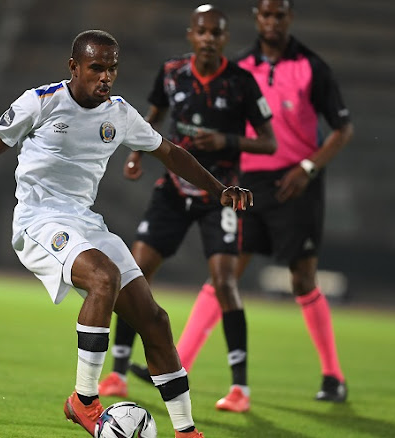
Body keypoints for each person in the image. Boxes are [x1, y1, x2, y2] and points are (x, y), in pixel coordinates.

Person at [0, 29, 252, 438]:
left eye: (111, 68)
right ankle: (83, 402)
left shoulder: (118, 113)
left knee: (154, 321)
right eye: (96, 68)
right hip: (39, 221)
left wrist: (220, 189)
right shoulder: (42, 101)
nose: (105, 77)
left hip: (85, 222)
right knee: (104, 278)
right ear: (74, 67)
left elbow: (170, 153)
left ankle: (187, 431)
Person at [136, 0, 354, 403]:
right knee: (226, 275)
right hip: (245, 184)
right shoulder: (237, 68)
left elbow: (343, 128)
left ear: (289, 18)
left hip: (296, 182)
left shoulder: (312, 67)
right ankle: (179, 362)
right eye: (265, 15)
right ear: (256, 18)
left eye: (280, 15)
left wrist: (308, 167)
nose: (272, 22)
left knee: (302, 277)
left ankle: (332, 376)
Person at [97, 4, 276, 414]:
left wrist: (227, 141)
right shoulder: (172, 72)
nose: (209, 38)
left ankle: (240, 390)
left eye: (217, 32)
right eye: (203, 31)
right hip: (174, 190)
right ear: (191, 35)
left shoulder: (241, 82)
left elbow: (268, 143)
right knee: (135, 273)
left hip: (222, 194)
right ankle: (118, 372)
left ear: (225, 38)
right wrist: (137, 154)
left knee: (224, 282)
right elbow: (153, 115)